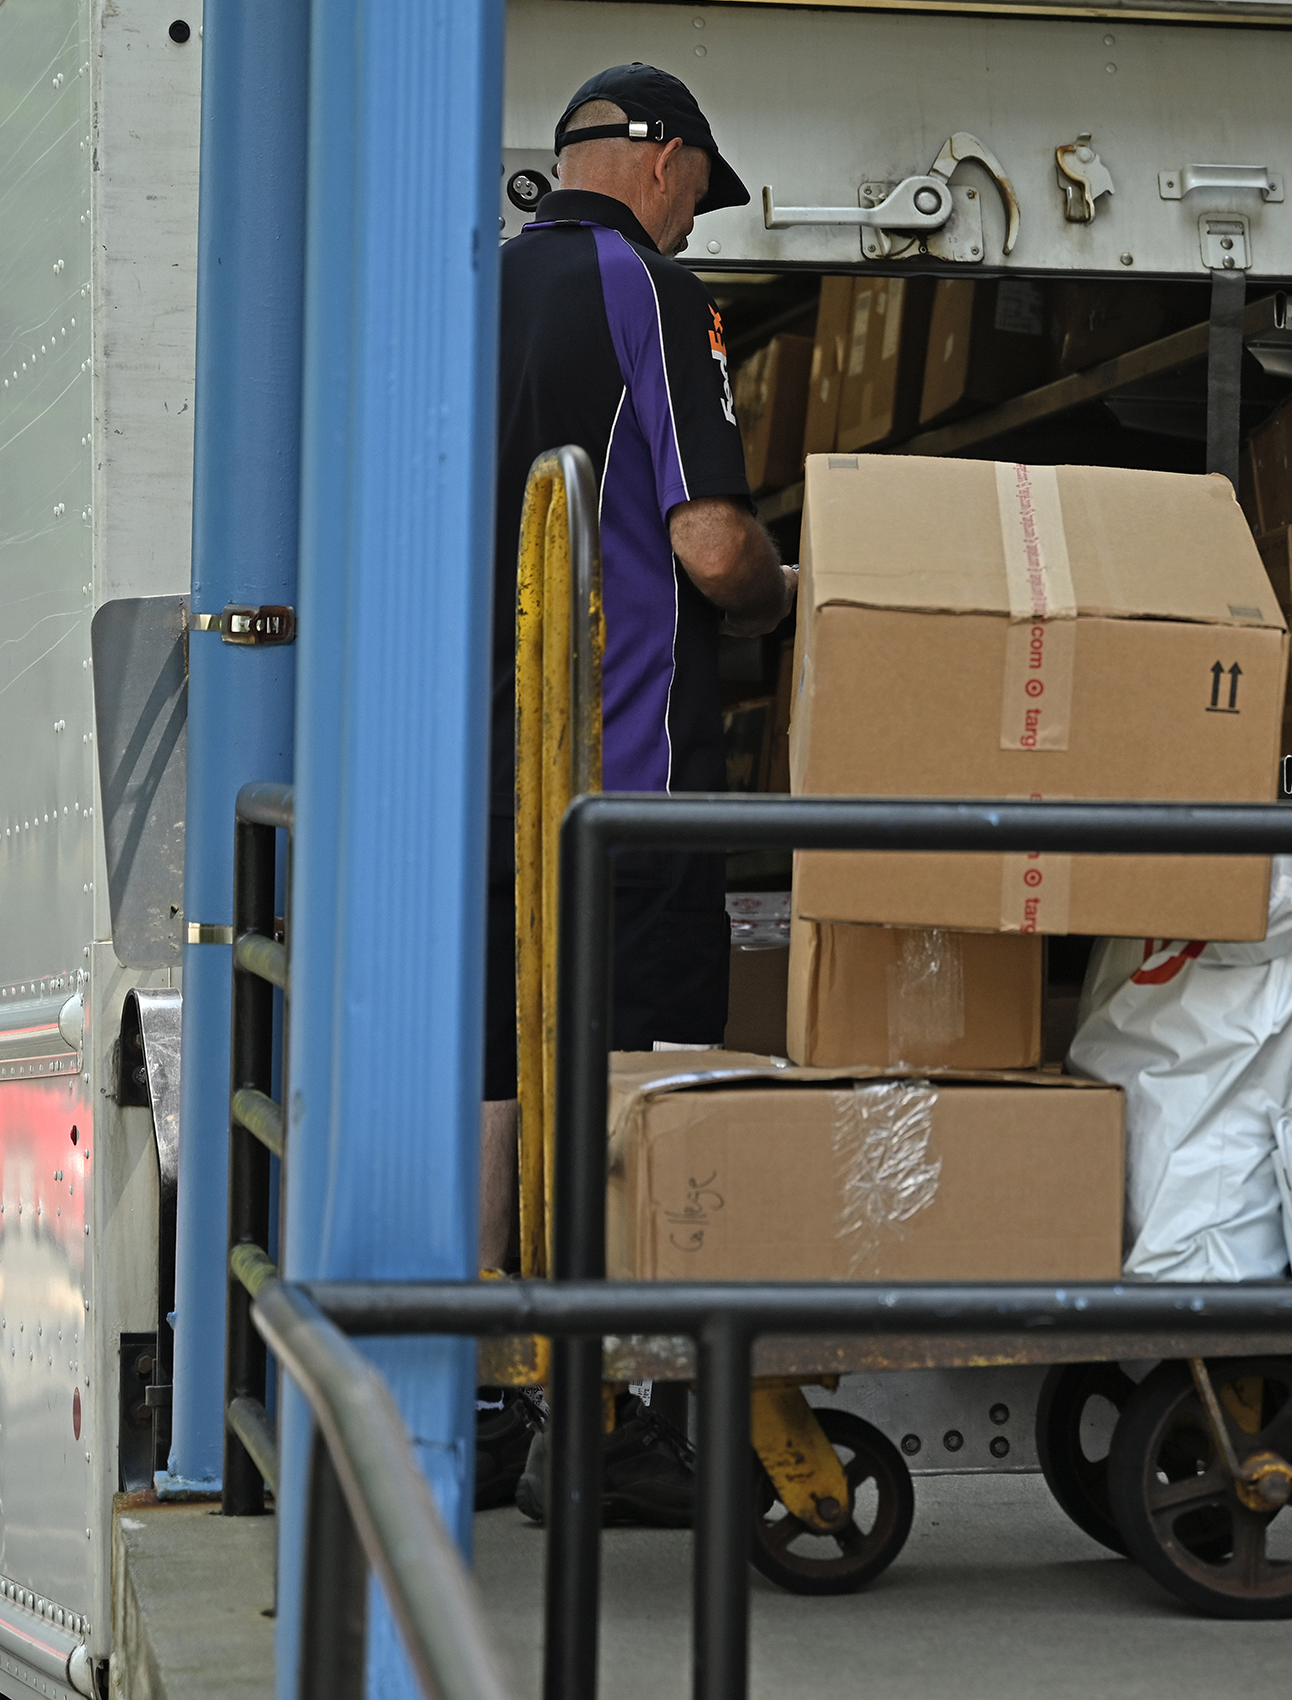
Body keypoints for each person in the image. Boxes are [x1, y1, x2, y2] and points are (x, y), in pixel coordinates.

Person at [484, 64, 796, 1526]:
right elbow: (715, 542)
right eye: (695, 188)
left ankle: (492, 1401)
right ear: (659, 158)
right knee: (647, 1082)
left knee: (502, 1078)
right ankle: (608, 1426)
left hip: (484, 779)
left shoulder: (472, 289)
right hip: (628, 776)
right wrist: (798, 594)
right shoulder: (652, 297)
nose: (690, 220)